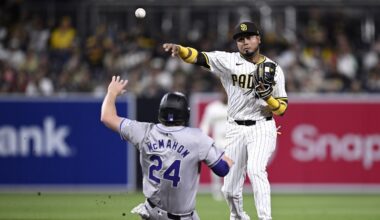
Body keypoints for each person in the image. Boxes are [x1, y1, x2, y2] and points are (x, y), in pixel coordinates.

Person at [163, 21, 288, 220]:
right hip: (235, 129)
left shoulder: (274, 69)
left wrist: (268, 98)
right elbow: (199, 57)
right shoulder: (228, 61)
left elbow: (281, 108)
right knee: (229, 190)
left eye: (249, 38)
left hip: (262, 126)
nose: (245, 42)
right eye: (240, 39)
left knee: (256, 171)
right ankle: (238, 216)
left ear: (258, 39)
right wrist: (180, 49)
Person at [100, 75, 233, 220]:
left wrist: (112, 93)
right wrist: (231, 156)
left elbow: (107, 117)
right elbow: (222, 169)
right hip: (182, 217)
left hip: (150, 213)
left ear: (161, 112)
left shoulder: (144, 131)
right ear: (185, 113)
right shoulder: (197, 138)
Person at [199, 86, 228, 201]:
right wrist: (205, 139)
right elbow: (205, 125)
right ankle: (216, 191)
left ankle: (230, 191)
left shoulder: (236, 107)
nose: (225, 95)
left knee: (233, 169)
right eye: (223, 93)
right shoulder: (212, 108)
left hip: (233, 142)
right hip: (218, 142)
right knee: (217, 168)